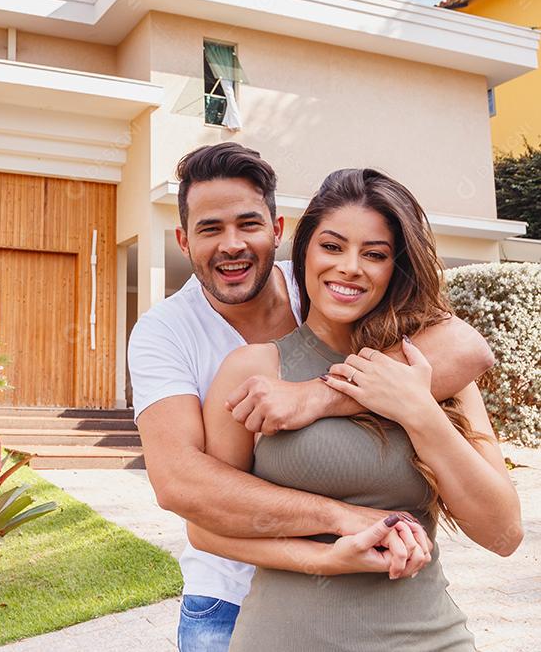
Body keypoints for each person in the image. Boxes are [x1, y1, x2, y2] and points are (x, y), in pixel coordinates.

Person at [130, 143, 497, 652]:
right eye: (210, 229)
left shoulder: (325, 282)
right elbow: (180, 484)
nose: (232, 244)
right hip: (230, 591)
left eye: (249, 224)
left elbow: (465, 347)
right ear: (183, 240)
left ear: (278, 233)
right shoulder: (164, 332)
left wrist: (318, 398)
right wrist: (341, 522)